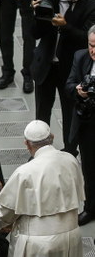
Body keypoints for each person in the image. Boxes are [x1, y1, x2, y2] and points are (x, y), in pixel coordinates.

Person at [0, 120, 84, 256]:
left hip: (38, 244)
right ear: (52, 137)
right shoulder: (71, 160)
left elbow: (8, 209)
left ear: (27, 144)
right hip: (72, 235)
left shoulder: (24, 172)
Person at [31, 0, 95, 154]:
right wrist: (36, 14)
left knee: (70, 115)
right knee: (42, 114)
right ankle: (39, 153)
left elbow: (86, 39)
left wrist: (64, 26)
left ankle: (69, 153)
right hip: (46, 67)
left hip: (70, 71)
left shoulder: (91, 7)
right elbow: (34, 34)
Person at [66, 24, 95, 225]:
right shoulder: (80, 56)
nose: (93, 50)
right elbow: (68, 85)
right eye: (91, 45)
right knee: (89, 170)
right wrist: (78, 91)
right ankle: (90, 208)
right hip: (87, 124)